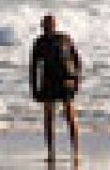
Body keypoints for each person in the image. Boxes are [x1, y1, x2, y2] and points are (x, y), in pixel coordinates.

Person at [30, 14, 81, 164]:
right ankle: (51, 152)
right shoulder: (39, 42)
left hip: (66, 81)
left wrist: (76, 79)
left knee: (70, 116)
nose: (48, 27)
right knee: (49, 118)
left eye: (51, 24)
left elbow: (77, 60)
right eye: (45, 25)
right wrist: (34, 89)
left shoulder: (65, 38)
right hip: (48, 82)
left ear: (55, 25)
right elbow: (33, 67)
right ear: (42, 26)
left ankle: (76, 151)